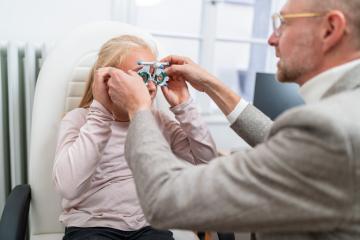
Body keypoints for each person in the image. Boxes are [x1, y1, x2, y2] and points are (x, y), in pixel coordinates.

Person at [103, 0, 360, 239]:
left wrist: (139, 109)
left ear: (330, 29)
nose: (271, 38)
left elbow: (165, 199)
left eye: (283, 23)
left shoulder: (329, 129)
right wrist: (211, 84)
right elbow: (278, 138)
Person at [52, 35, 217, 240]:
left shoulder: (157, 121)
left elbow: (207, 164)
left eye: (152, 76)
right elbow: (68, 187)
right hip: (91, 226)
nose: (149, 87)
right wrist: (101, 113)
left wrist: (184, 105)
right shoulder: (79, 120)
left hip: (149, 225)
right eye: (139, 78)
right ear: (107, 80)